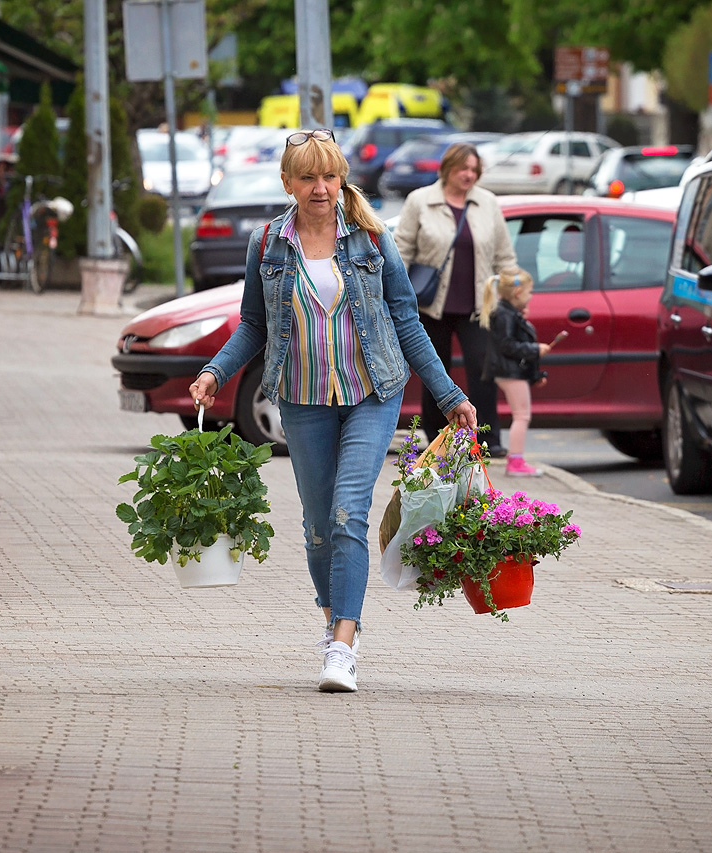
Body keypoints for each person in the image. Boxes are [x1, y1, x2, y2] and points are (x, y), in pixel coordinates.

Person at [188, 128, 477, 694]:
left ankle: (343, 643)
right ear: (288, 183)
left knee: (348, 512)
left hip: (373, 393)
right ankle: (333, 623)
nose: (320, 188)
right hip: (301, 398)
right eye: (308, 177)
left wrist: (450, 397)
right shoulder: (267, 244)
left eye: (329, 175)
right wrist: (213, 373)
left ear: (342, 178)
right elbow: (253, 325)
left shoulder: (372, 239)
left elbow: (407, 323)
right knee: (318, 528)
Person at [395, 142, 517, 456]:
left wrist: (514, 294)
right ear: (447, 168)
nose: (468, 175)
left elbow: (504, 256)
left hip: (477, 305)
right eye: (462, 168)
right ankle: (438, 440)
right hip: (429, 305)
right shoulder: (420, 201)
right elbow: (401, 251)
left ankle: (487, 441)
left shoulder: (487, 202)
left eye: (474, 170)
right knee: (436, 372)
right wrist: (393, 295)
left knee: (483, 369)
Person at [479, 268, 553, 477]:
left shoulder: (506, 313)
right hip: (508, 372)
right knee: (522, 416)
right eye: (529, 292)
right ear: (518, 293)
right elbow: (508, 346)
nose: (531, 297)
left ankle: (516, 460)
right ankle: (516, 462)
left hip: (507, 371)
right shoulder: (504, 315)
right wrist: (535, 349)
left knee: (520, 415)